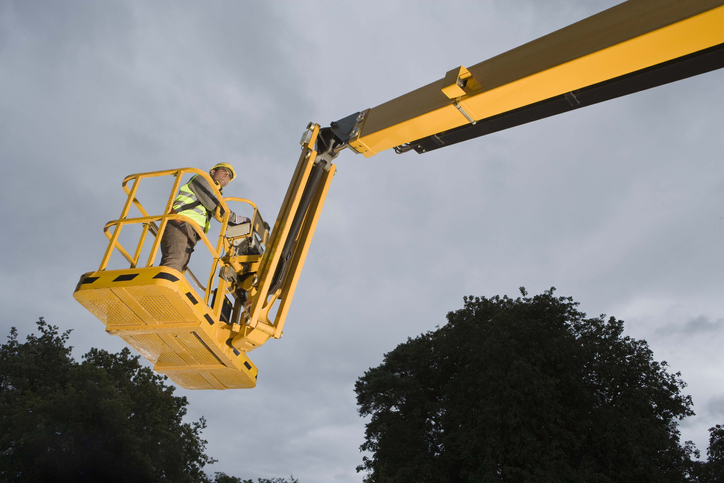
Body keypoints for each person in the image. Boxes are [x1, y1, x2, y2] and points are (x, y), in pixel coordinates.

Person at [160, 163, 249, 273]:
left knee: (178, 269)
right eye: (224, 171)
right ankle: (159, 288)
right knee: (173, 262)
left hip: (191, 233)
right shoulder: (201, 179)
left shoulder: (217, 195)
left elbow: (219, 214)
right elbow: (213, 204)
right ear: (213, 172)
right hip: (180, 223)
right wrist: (236, 219)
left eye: (229, 175)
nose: (227, 175)